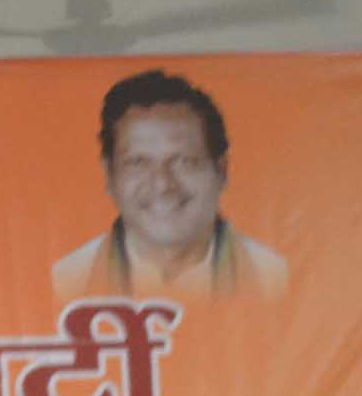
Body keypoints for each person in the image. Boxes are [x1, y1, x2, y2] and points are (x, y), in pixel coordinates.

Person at [52, 69, 289, 304]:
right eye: (138, 162)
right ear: (109, 175)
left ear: (221, 170)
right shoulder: (66, 281)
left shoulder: (276, 279)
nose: (163, 184)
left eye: (184, 161)